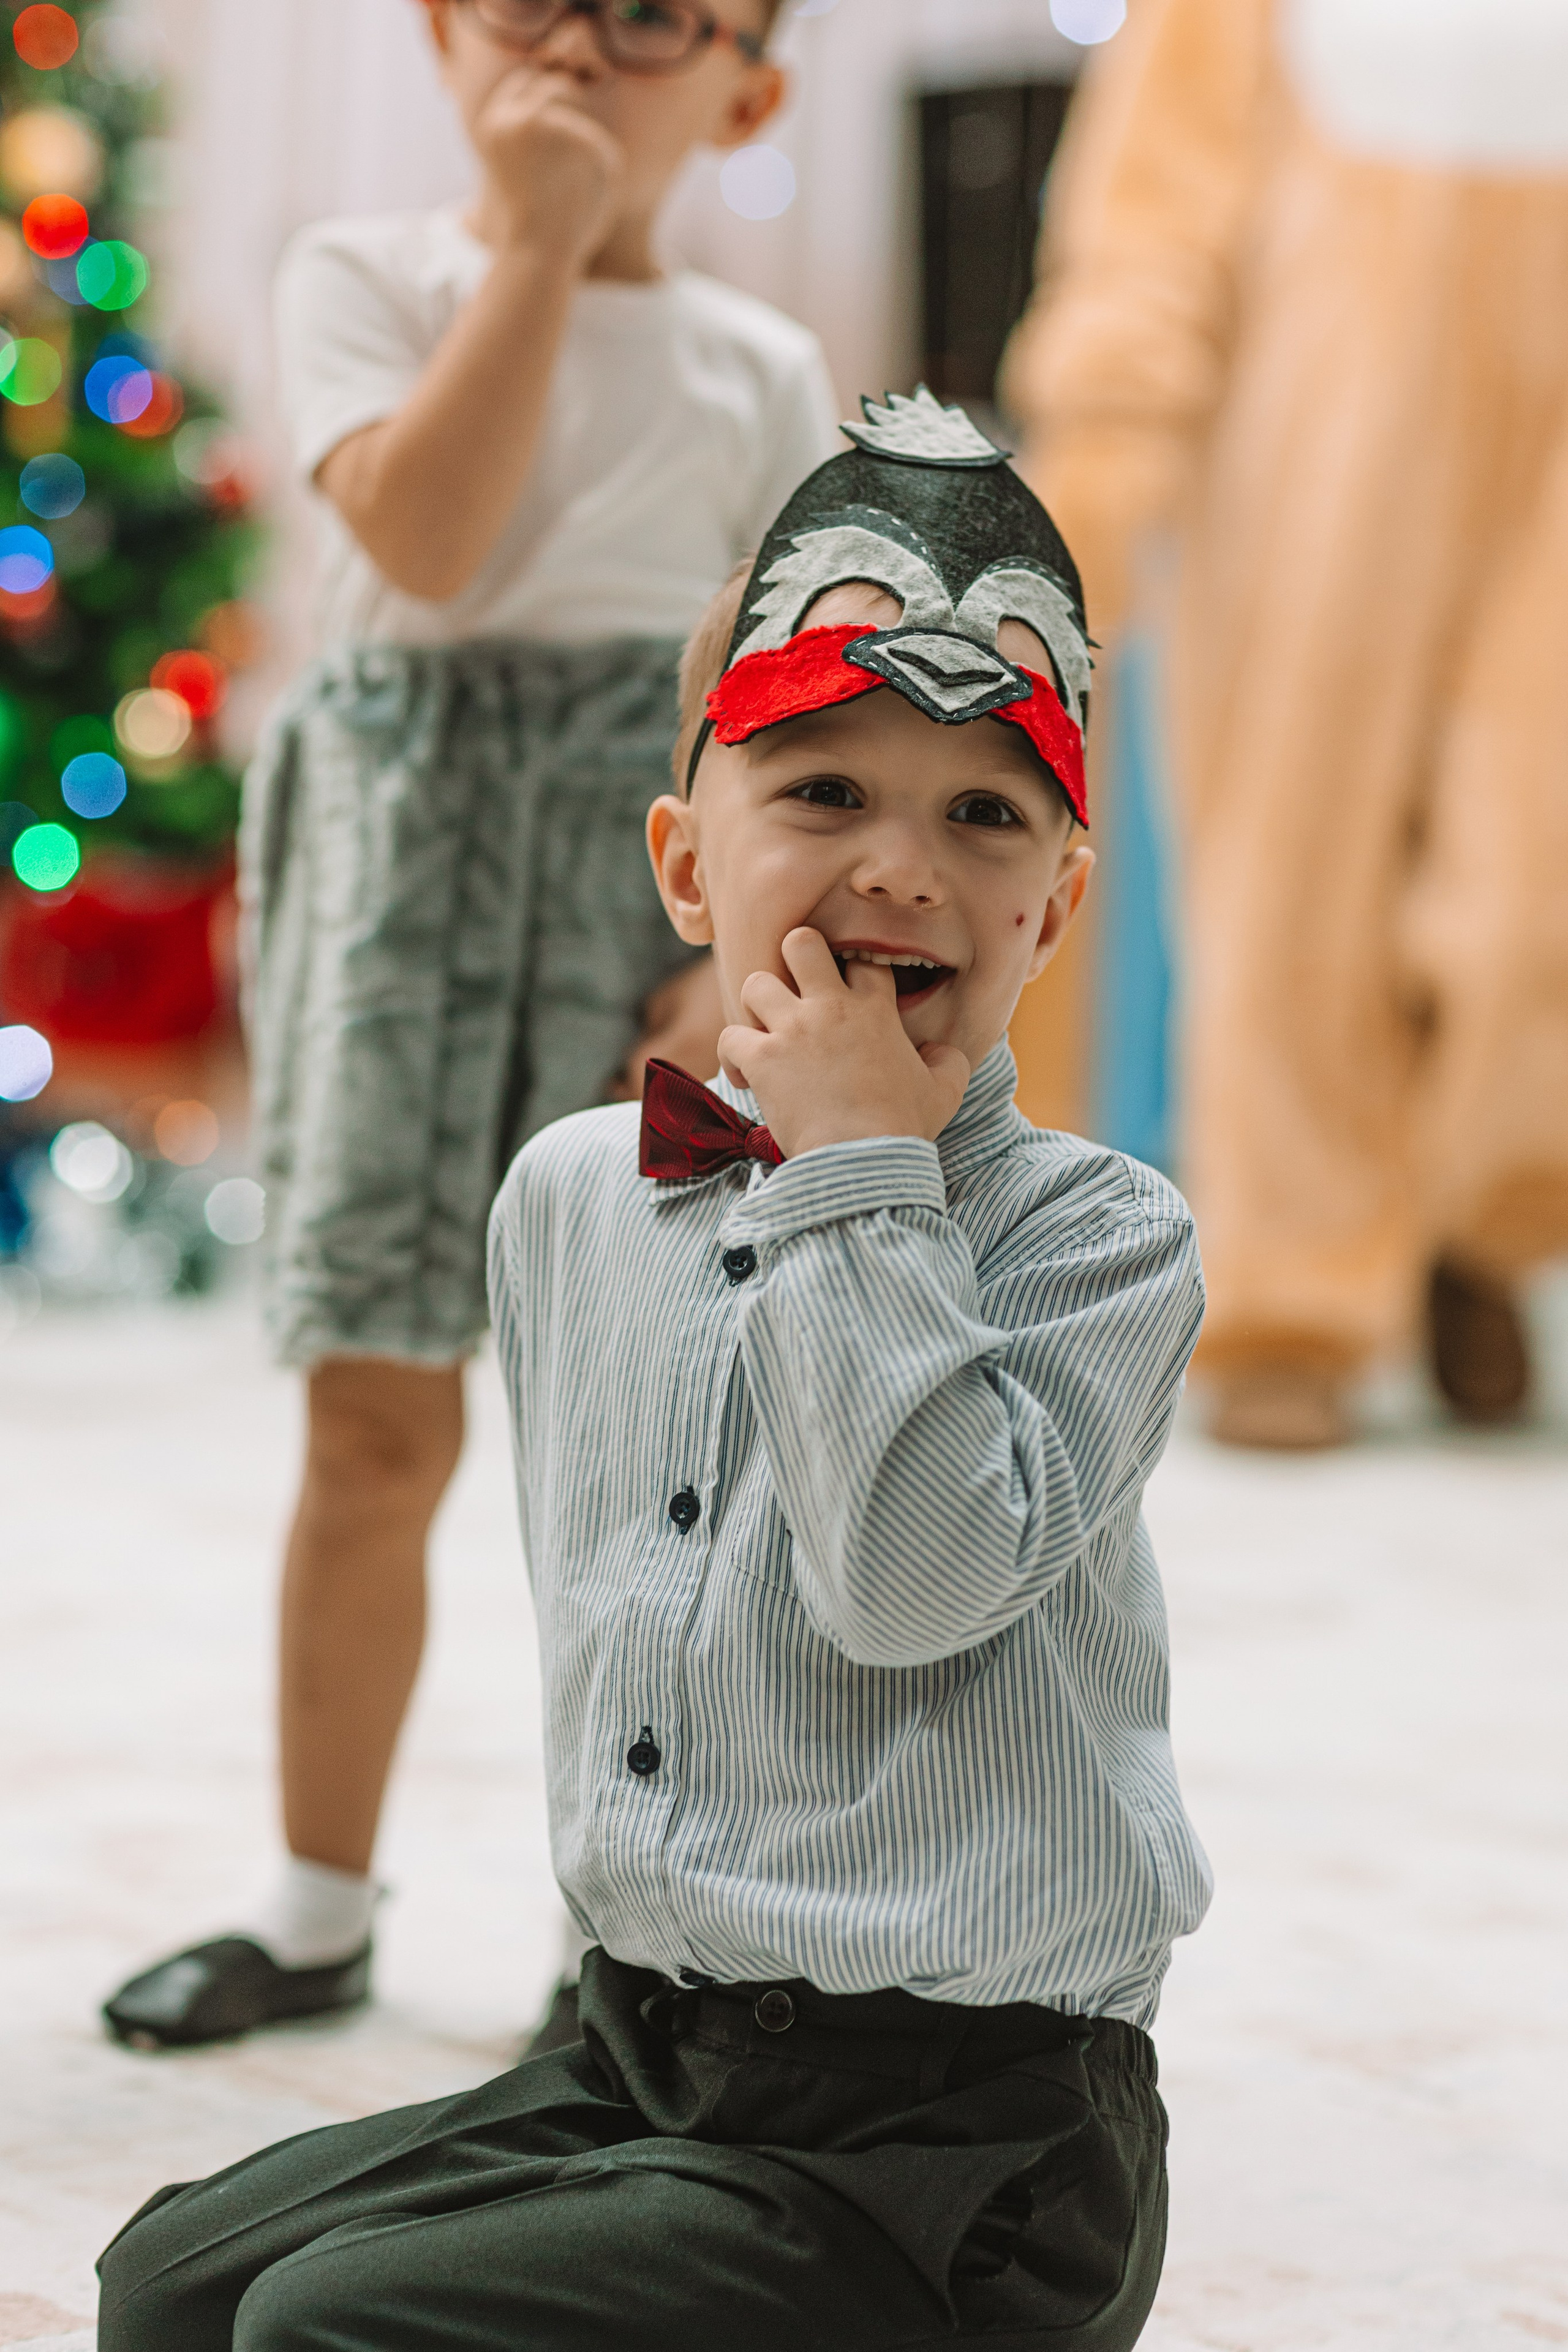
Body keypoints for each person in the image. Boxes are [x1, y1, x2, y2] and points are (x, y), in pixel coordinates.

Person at [97, 388, 1210, 2352]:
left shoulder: (1103, 1239)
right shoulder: (576, 1199)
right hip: (650, 2052)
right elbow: (627, 1634)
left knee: (323, 2338)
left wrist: (866, 1167)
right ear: (687, 868)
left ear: (1058, 899)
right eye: (823, 795)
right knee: (175, 2289)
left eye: (982, 814)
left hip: (962, 2145)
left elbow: (912, 1582)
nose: (900, 868)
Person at [101, 0, 839, 2052]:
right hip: (404, 911)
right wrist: (534, 246)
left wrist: (723, 962)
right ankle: (316, 1903)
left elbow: (775, 698)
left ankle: (631, 1936)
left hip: (643, 912)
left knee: (636, 1456)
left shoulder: (763, 371)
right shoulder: (371, 276)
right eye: (530, 0)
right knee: (372, 1410)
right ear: (441, 30)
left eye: (655, 19)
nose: (582, 49)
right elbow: (423, 536)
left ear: (748, 91)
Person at [1005, 0, 1568, 1449]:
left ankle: (1477, 1218)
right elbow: (1149, 210)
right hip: (1307, 465)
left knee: (1532, 884)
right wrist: (1106, 438)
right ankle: (1295, 1296)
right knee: (1291, 872)